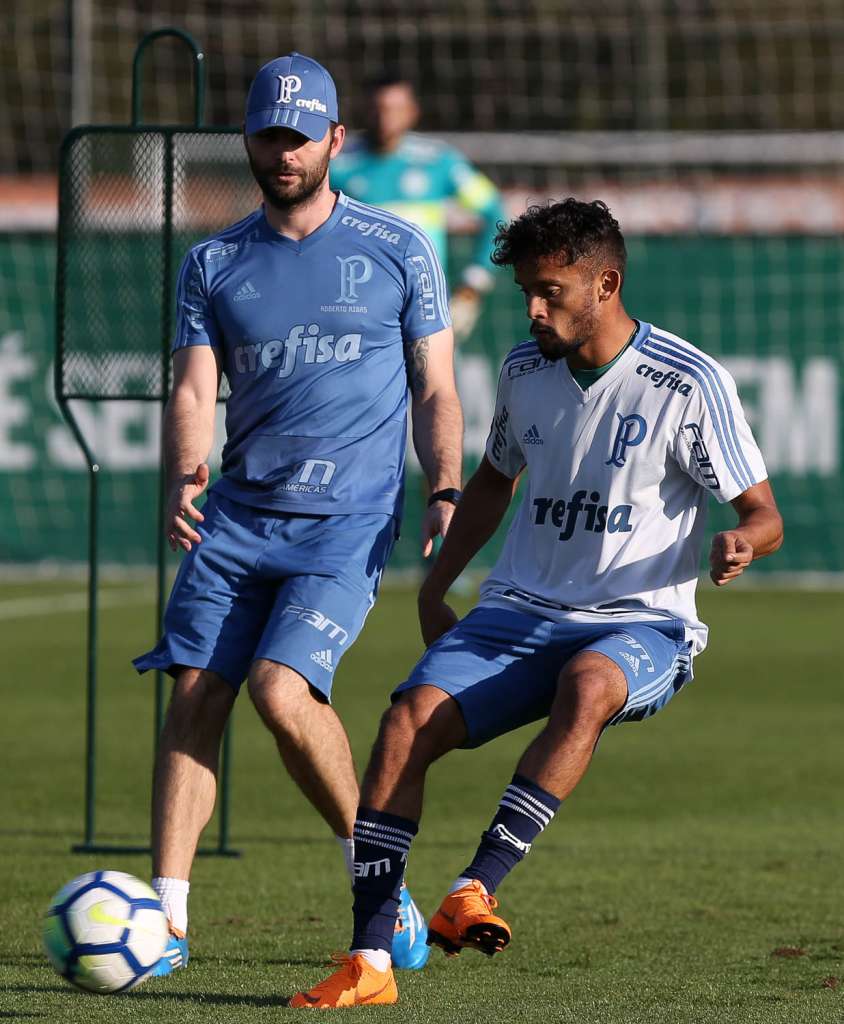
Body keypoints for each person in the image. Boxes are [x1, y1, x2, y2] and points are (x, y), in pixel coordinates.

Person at [290, 198, 784, 1008]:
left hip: (641, 624)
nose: (532, 308)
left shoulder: (688, 383)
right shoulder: (526, 368)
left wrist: (743, 541)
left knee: (588, 683)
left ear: (606, 283)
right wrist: (440, 581)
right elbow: (494, 479)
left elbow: (764, 514)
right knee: (405, 721)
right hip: (518, 610)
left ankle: (475, 886)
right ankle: (369, 963)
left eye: (549, 291)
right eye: (526, 291)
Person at [132, 52, 462, 976]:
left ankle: (378, 884)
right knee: (195, 697)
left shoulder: (398, 248)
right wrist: (184, 472)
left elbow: (436, 387)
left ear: (334, 140)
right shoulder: (214, 260)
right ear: (249, 139)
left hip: (347, 521)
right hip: (236, 518)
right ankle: (165, 921)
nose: (285, 152)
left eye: (301, 135)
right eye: (269, 135)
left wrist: (442, 485)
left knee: (282, 692)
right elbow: (195, 387)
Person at [330, 73, 506, 345]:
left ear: (413, 112)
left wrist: (473, 285)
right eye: (378, 108)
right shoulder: (339, 166)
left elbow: (495, 214)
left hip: (428, 313)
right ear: (365, 110)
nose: (385, 117)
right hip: (359, 315)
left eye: (394, 109)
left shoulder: (439, 162)